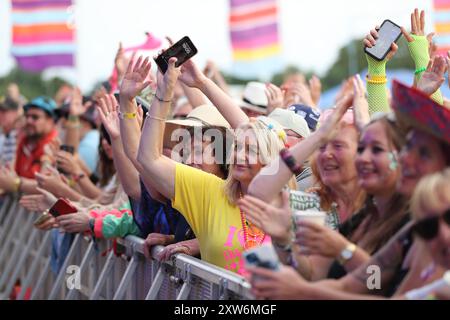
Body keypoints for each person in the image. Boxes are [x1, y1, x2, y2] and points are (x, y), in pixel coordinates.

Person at [246, 80, 450, 299]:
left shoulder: (429, 223)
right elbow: (367, 283)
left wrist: (341, 253)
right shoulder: (377, 220)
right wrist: (286, 243)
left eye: (377, 149)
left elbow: (379, 290)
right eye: (362, 149)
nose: (407, 158)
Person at [133, 55, 293, 274]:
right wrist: (165, 93)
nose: (239, 155)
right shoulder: (210, 192)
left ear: (270, 161)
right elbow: (148, 159)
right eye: (236, 147)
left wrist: (203, 84)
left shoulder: (287, 197)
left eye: (251, 151)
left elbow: (252, 132)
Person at [239, 113, 410, 281]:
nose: (326, 154)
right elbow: (314, 276)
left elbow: (378, 285)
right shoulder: (313, 205)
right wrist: (285, 241)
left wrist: (342, 250)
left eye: (338, 146)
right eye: (321, 147)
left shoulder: (381, 209)